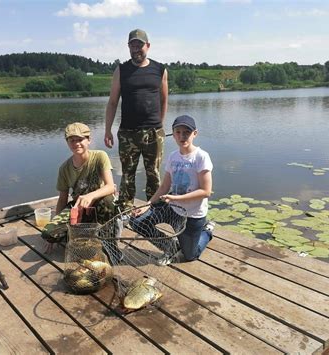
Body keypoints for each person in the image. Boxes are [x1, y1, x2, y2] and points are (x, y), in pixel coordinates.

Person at [131, 115, 215, 265]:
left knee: (190, 255)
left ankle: (207, 231)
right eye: (178, 132)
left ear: (194, 133)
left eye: (186, 132)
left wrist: (176, 198)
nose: (182, 136)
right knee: (137, 221)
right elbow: (164, 186)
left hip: (193, 215)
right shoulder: (172, 157)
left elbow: (206, 191)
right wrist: (148, 204)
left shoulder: (201, 157)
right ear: (173, 134)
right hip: (174, 211)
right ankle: (171, 247)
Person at [104, 28, 168, 209]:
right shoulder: (121, 70)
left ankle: (154, 209)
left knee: (154, 174)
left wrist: (160, 126)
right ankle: (124, 209)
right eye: (132, 45)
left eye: (139, 45)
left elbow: (164, 100)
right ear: (128, 47)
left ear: (147, 46)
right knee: (127, 174)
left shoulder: (160, 70)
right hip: (127, 133)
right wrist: (108, 129)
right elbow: (112, 102)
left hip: (154, 132)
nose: (136, 49)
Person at [41, 122, 122, 261]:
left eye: (80, 139)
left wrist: (90, 196)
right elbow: (62, 199)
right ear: (67, 143)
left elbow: (109, 186)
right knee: (49, 233)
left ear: (89, 140)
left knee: (108, 200)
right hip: (79, 207)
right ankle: (86, 232)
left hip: (100, 204)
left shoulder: (99, 156)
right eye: (72, 140)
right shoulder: (64, 168)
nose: (76, 143)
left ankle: (110, 243)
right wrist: (55, 230)